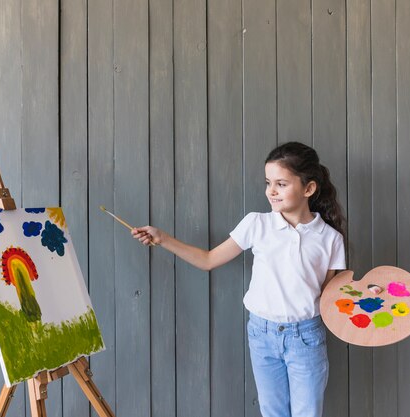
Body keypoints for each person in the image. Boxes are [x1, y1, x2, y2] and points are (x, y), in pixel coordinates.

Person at [131, 141, 347, 417]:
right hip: (262, 335)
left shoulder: (330, 239)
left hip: (306, 337)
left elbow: (330, 298)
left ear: (309, 188)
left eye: (281, 183)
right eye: (268, 182)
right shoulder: (257, 224)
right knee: (273, 412)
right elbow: (208, 260)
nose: (271, 191)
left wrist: (368, 299)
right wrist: (162, 239)